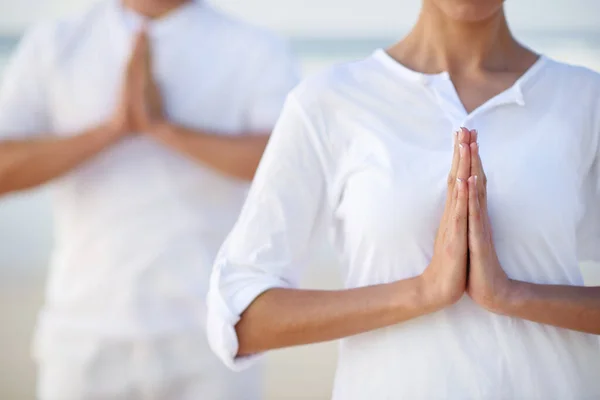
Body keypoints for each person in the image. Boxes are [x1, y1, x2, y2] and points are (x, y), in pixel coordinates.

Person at [206, 0, 600, 398]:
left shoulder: (585, 99)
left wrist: (512, 295)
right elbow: (242, 319)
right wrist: (423, 291)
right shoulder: (328, 102)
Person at [0, 0, 298, 398]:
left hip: (212, 335)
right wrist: (111, 130)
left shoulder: (256, 47)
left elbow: (289, 171)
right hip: (82, 333)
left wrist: (164, 129)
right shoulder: (55, 43)